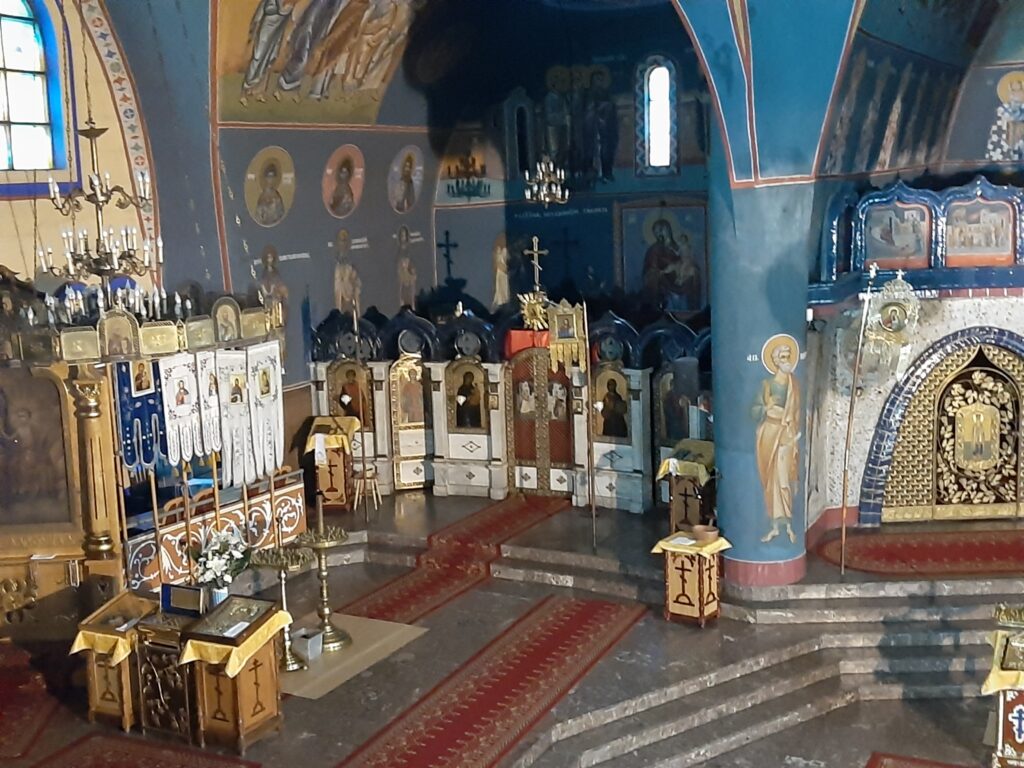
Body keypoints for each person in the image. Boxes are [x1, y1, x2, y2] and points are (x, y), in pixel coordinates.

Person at [751, 337, 801, 544]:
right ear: (776, 360)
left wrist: (792, 430)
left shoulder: (794, 385)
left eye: (789, 356)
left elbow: (797, 413)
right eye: (783, 357)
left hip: (787, 435)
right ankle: (773, 526)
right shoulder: (767, 385)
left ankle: (788, 525)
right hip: (769, 434)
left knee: (784, 479)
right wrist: (766, 407)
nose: (787, 360)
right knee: (771, 481)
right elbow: (754, 411)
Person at [240, 0, 294, 105]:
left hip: (277, 31)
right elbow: (266, 9)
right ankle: (245, 91)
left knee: (270, 59)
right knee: (258, 57)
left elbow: (289, 14)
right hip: (266, 28)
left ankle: (259, 91)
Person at [333, 229, 362, 313]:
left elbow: (357, 284)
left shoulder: (354, 262)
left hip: (350, 302)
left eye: (345, 240)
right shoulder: (332, 263)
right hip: (337, 303)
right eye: (341, 240)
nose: (343, 244)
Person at [255, 161, 286, 226]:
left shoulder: (277, 196)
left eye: (273, 177)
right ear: (265, 178)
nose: (271, 180)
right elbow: (258, 216)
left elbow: (281, 214)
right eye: (269, 177)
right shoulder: (262, 196)